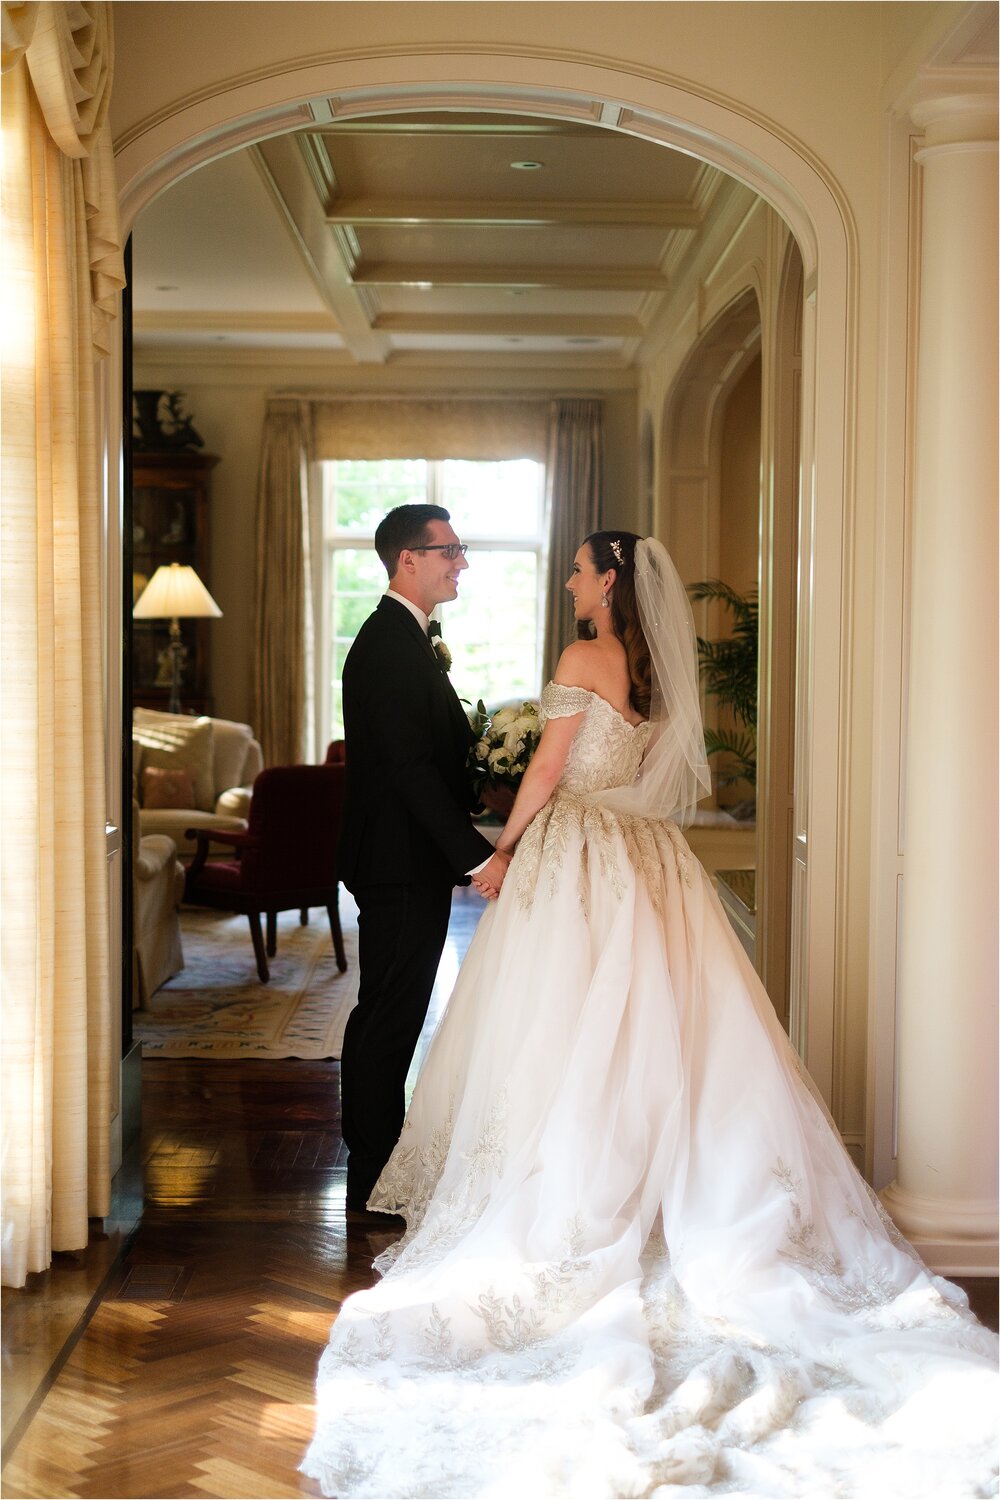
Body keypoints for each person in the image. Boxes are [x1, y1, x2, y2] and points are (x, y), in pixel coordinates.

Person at [306, 531, 998, 1496]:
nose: (571, 579)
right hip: (644, 856)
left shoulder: (583, 655)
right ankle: (654, 1185)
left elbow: (548, 772)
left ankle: (570, 1186)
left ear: (611, 581)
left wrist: (500, 847)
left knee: (564, 1033)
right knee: (658, 1030)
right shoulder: (655, 673)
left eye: (583, 568)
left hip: (576, 854)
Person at [337, 504, 509, 1224]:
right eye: (450, 550)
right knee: (388, 1016)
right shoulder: (386, 645)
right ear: (408, 559)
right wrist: (478, 856)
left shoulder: (409, 639)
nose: (460, 562)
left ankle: (378, 1164)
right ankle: (372, 1179)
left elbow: (428, 758)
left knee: (394, 1012)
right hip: (397, 863)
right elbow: (406, 770)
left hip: (404, 860)